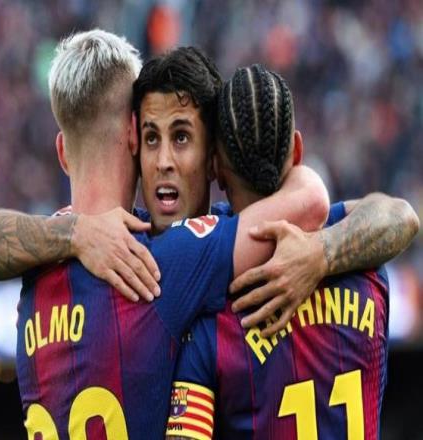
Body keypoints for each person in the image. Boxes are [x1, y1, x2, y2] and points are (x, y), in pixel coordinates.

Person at [0, 41, 418, 439]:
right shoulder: (162, 263)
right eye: (153, 138)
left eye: (181, 138)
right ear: (133, 137)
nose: (165, 160)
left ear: (62, 152)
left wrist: (71, 233)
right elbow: (324, 203)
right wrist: (322, 249)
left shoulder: (35, 263)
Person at [164, 64, 414, 440]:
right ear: (297, 150)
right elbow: (398, 215)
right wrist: (324, 252)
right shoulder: (366, 269)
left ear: (215, 166)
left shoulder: (210, 313)